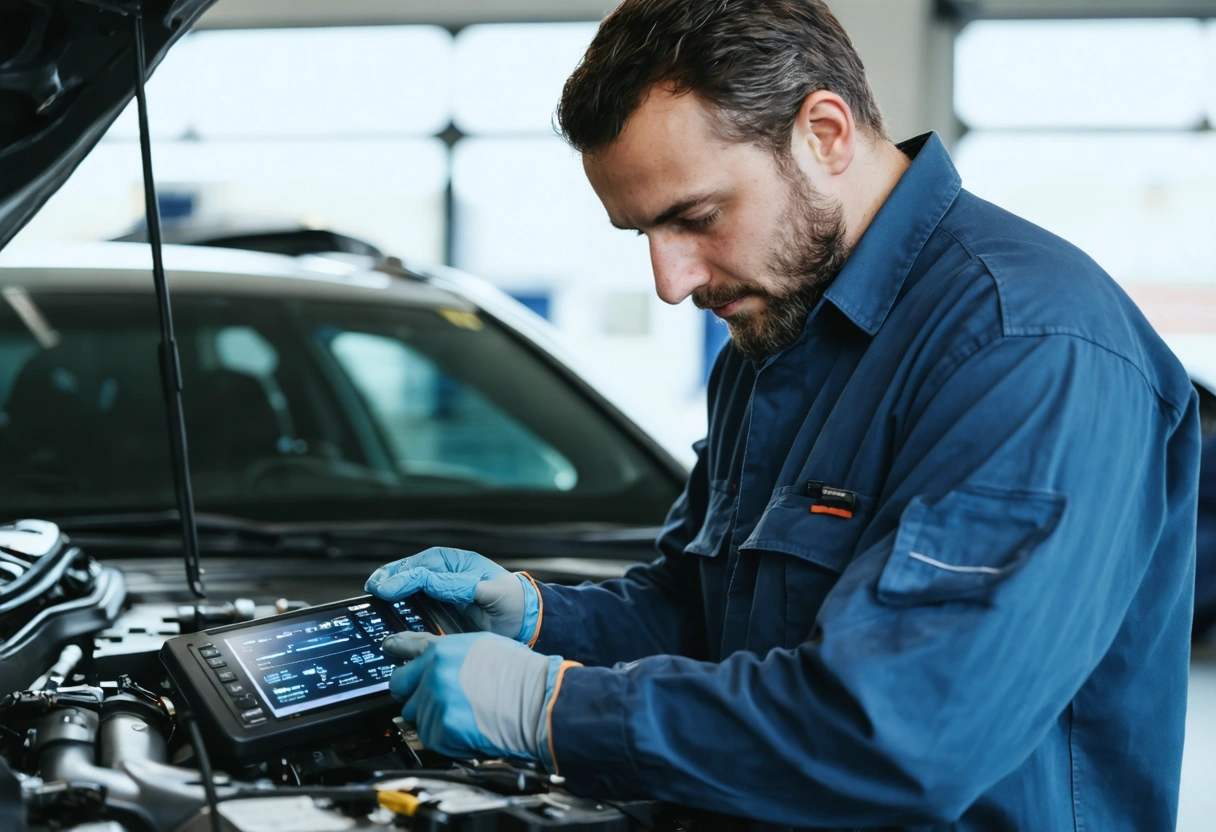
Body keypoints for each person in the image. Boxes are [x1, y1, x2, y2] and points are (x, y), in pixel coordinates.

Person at [367, 1, 1201, 828]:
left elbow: (901, 735)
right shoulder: (771, 337)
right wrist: (540, 622)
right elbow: (703, 617)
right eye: (642, 234)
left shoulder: (1028, 348)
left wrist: (552, 709)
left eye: (695, 218)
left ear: (825, 134)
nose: (671, 282)